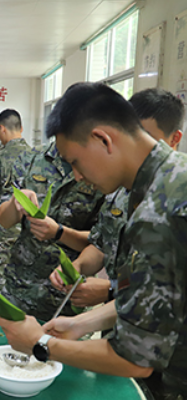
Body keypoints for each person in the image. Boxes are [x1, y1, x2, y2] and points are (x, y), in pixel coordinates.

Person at [0, 82, 187, 400]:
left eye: (75, 162)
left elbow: (135, 359)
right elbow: (157, 296)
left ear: (102, 139)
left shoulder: (157, 209)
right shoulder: (170, 179)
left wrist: (41, 345)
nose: (79, 176)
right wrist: (81, 324)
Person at [49, 88, 185, 309]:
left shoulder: (177, 191)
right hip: (122, 327)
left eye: (145, 138)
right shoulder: (120, 190)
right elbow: (102, 243)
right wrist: (78, 266)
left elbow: (168, 295)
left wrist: (112, 290)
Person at [0, 107, 104, 321]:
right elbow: (4, 220)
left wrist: (59, 232)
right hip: (19, 287)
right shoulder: (30, 159)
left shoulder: (101, 170)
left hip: (65, 295)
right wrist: (14, 203)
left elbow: (103, 243)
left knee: (59, 352)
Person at [0, 109, 32, 293]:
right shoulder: (36, 156)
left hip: (1, 227)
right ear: (21, 128)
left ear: (1, 129)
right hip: (29, 224)